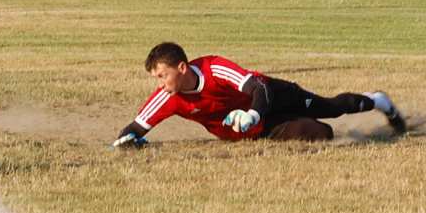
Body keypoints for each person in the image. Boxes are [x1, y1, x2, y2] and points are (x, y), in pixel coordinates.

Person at [112, 42, 406, 148]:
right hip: (259, 130)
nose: (160, 84)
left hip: (271, 96)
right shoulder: (168, 97)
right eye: (156, 78)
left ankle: (378, 100)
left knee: (330, 108)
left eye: (163, 75)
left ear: (182, 67)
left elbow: (258, 88)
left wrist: (252, 113)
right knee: (322, 133)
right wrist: (125, 142)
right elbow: (136, 127)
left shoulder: (213, 68)